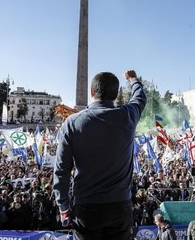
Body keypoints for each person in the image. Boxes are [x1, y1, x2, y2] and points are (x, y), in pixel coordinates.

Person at [53, 70, 146, 240]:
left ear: (91, 92)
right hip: (120, 206)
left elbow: (61, 170)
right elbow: (140, 97)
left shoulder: (72, 123)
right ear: (116, 94)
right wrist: (133, 79)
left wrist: (63, 206)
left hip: (86, 208)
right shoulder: (127, 116)